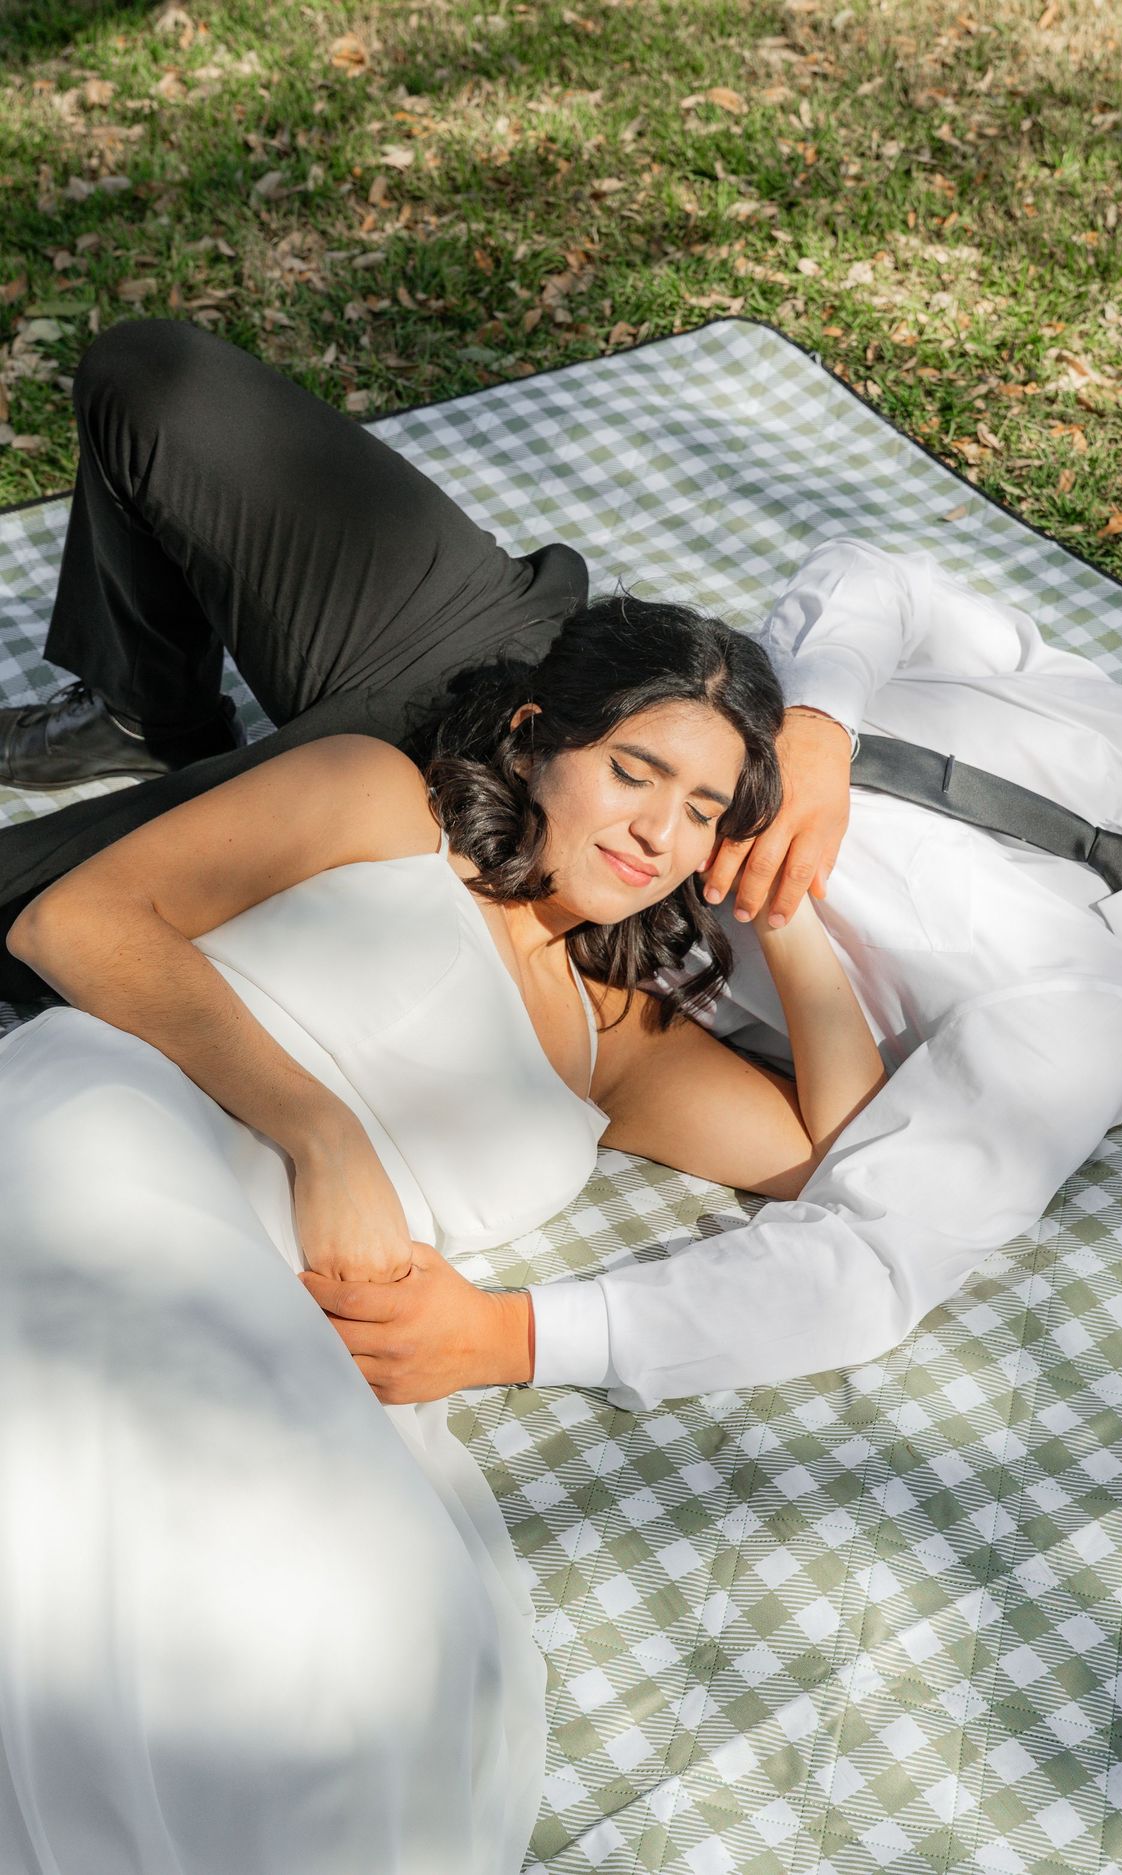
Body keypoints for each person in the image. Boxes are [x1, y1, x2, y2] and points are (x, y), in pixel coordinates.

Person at [0, 323, 1122, 1422]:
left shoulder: (1088, 1029)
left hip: (532, 864)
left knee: (39, 915)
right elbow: (880, 579)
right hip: (548, 672)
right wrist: (817, 719)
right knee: (157, 382)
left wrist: (524, 1338)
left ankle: (201, 798)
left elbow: (870, 1241)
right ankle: (145, 709)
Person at [0, 571, 887, 1869]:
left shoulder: (621, 1039)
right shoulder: (380, 802)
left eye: (702, 811)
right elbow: (73, 919)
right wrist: (322, 1132)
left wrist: (786, 908)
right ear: (534, 737)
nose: (659, 832)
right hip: (124, 1143)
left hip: (308, 1330)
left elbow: (846, 1154)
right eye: (635, 771)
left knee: (362, 1649)